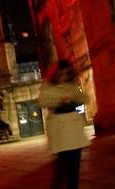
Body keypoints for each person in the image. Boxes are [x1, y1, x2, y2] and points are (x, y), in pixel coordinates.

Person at [40, 60, 88, 189]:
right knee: (61, 169)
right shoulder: (47, 85)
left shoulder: (72, 85)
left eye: (67, 73)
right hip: (59, 129)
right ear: (56, 73)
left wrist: (73, 96)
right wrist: (61, 99)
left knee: (74, 168)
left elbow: (83, 98)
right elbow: (43, 101)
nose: (63, 76)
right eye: (61, 73)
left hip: (73, 128)